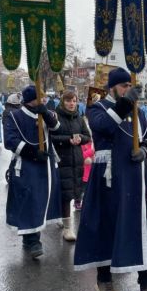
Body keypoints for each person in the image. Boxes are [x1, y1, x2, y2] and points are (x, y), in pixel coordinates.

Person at [74, 67, 147, 291]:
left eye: (130, 86)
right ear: (113, 87)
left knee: (142, 228)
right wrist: (125, 104)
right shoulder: (96, 107)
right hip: (108, 178)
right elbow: (104, 127)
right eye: (123, 86)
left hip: (136, 177)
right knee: (107, 226)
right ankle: (104, 280)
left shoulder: (138, 111)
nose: (128, 90)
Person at [4, 85, 62, 258]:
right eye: (41, 97)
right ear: (31, 99)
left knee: (41, 200)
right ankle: (31, 241)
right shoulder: (15, 116)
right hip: (27, 163)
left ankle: (32, 237)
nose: (43, 100)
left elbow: (57, 128)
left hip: (46, 163)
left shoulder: (44, 113)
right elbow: (10, 141)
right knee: (29, 200)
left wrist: (45, 112)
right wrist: (33, 153)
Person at [51, 91, 92, 241]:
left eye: (74, 101)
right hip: (61, 160)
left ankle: (64, 220)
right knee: (65, 195)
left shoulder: (79, 118)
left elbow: (87, 136)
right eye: (68, 101)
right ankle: (68, 228)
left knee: (74, 192)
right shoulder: (56, 117)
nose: (71, 103)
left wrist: (80, 138)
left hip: (77, 160)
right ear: (63, 102)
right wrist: (68, 139)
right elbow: (51, 137)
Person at [78, 139, 94, 211]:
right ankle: (78, 201)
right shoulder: (82, 144)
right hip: (83, 173)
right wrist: (92, 151)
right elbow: (80, 155)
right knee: (81, 189)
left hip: (92, 172)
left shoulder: (94, 143)